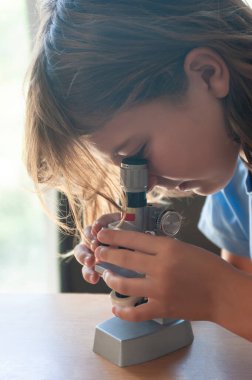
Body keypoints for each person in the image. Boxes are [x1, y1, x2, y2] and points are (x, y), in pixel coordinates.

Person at [25, 0, 252, 341]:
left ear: (207, 73)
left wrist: (216, 293)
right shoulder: (233, 175)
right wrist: (159, 270)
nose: (144, 185)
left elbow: (232, 298)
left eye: (138, 152)